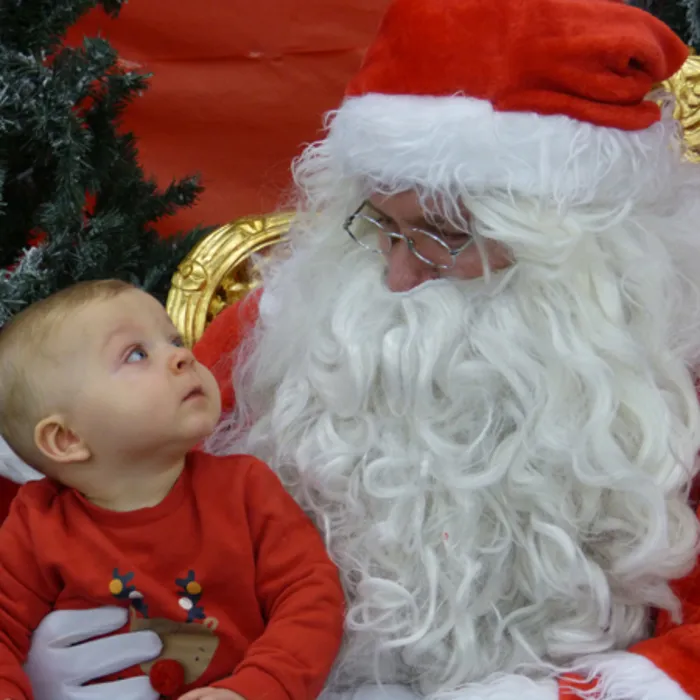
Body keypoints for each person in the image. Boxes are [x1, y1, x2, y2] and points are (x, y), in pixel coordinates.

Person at [4, 0, 700, 699]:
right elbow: (82, 452)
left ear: (572, 247)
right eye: (381, 227)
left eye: (440, 238)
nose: (397, 277)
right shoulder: (307, 313)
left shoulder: (668, 370)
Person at [0, 280, 344, 700]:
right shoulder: (36, 525)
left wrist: (257, 688)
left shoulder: (244, 487)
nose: (182, 356)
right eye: (136, 354)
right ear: (66, 440)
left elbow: (311, 594)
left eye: (174, 340)